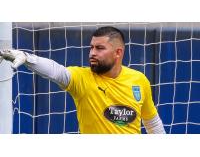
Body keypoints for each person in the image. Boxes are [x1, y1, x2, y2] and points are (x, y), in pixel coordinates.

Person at [0, 26, 165, 134]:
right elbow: (56, 71)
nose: (92, 53)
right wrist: (27, 58)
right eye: (91, 47)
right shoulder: (82, 78)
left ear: (118, 52)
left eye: (100, 48)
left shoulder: (139, 80)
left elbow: (152, 123)